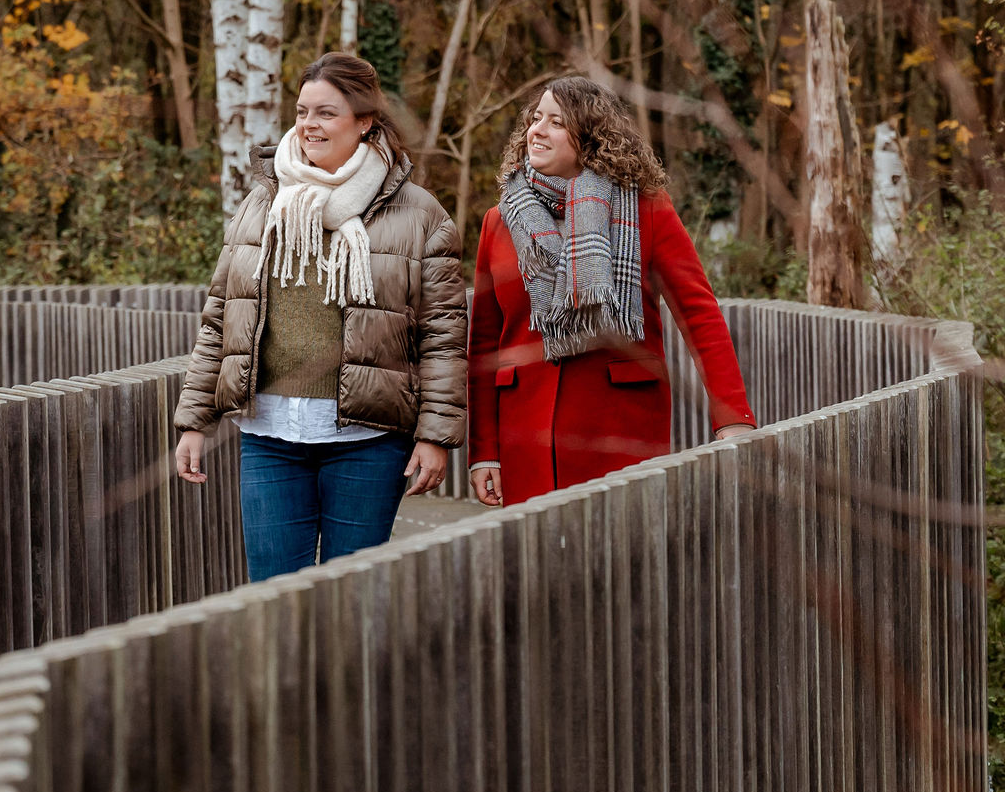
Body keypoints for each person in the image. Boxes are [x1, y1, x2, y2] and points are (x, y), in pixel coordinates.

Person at [172, 53, 467, 582]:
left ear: (366, 120)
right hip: (269, 436)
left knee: (352, 599)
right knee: (273, 595)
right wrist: (195, 419)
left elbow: (443, 336)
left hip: (368, 441)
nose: (309, 124)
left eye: (327, 113)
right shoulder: (262, 204)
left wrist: (435, 436)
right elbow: (220, 319)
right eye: (303, 111)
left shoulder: (419, 214)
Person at [466, 76, 755, 507]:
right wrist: (483, 451)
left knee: (620, 566)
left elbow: (698, 313)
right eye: (535, 118)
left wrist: (733, 419)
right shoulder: (500, 221)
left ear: (591, 137)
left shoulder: (646, 209)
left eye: (557, 122)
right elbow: (485, 343)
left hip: (620, 433)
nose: (537, 130)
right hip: (525, 436)